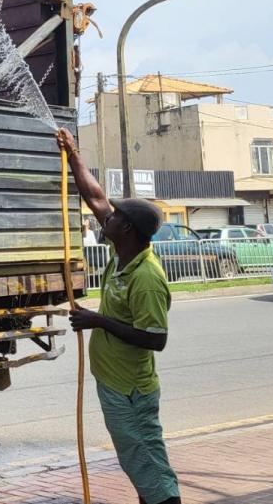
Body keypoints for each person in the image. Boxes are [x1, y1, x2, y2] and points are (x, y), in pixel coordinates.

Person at [58, 128, 181, 504]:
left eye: (114, 217)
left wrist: (98, 321)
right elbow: (94, 197)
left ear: (125, 227)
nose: (104, 217)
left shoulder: (146, 277)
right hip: (116, 384)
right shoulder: (124, 255)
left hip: (131, 391)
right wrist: (74, 153)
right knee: (139, 462)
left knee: (146, 461)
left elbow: (155, 339)